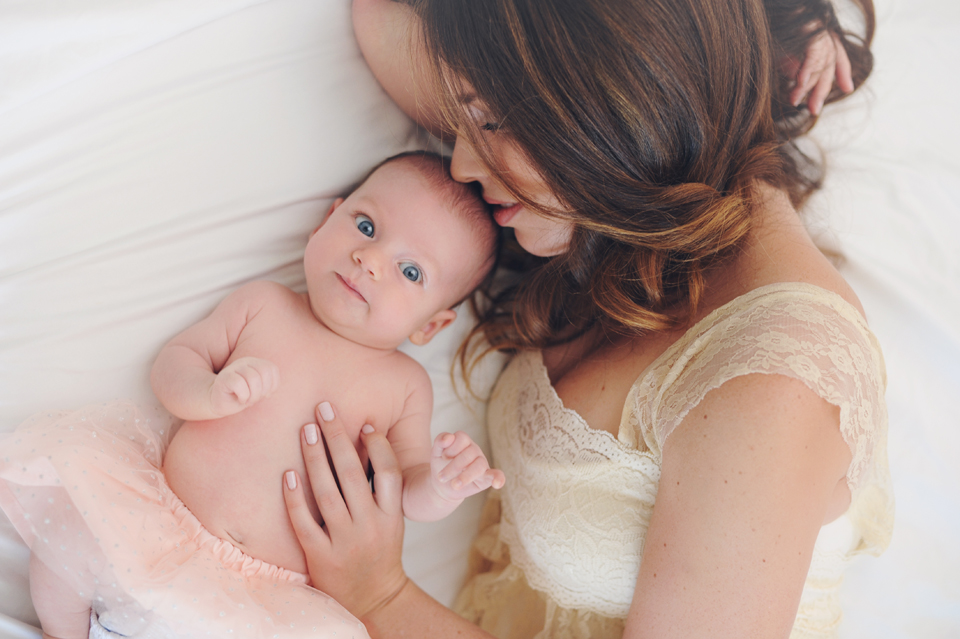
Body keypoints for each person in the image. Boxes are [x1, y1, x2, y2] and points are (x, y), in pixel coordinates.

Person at [278, 1, 893, 638]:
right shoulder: (620, 217)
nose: (460, 165)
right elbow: (379, 19)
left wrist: (379, 596)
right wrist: (767, 20)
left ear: (623, 99)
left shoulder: (773, 382)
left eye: (488, 119)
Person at [0, 151, 504, 639]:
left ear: (431, 326)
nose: (369, 260)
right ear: (326, 221)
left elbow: (404, 491)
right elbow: (176, 363)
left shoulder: (405, 386)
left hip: (262, 597)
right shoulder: (264, 305)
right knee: (73, 535)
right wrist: (210, 393)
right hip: (161, 526)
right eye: (366, 226)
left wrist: (442, 486)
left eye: (410, 271)